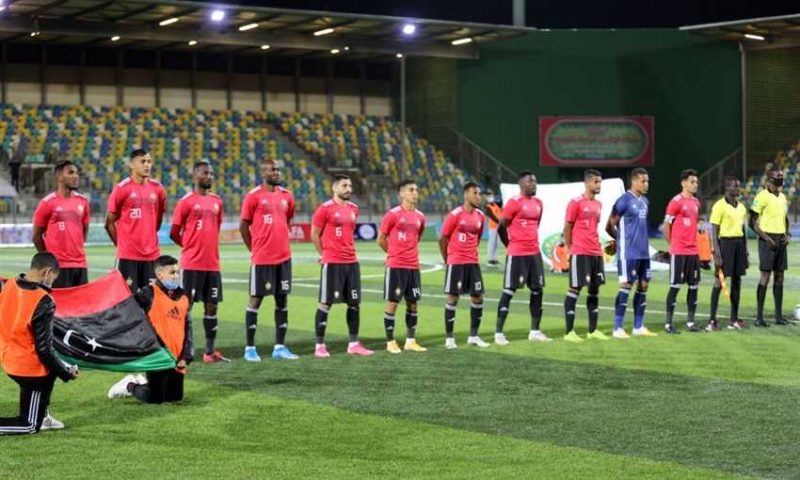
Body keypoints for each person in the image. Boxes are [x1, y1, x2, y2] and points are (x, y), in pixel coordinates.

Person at [0, 252, 79, 435]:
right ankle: (38, 419)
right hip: (28, 369)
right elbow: (44, 350)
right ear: (47, 272)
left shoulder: (10, 284)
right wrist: (66, 372)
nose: (53, 282)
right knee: (28, 425)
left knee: (52, 369)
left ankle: (42, 415)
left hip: (9, 357)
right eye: (53, 277)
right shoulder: (43, 299)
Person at [106, 255, 193, 404]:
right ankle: (129, 385)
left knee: (175, 397)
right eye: (172, 272)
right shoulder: (149, 293)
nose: (176, 276)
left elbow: (188, 328)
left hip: (176, 357)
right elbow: (128, 305)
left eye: (177, 272)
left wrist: (186, 355)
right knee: (155, 398)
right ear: (159, 275)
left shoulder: (184, 297)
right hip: (157, 354)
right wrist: (119, 287)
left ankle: (141, 381)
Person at [240, 158, 299, 361]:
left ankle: (279, 347)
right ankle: (249, 349)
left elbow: (287, 219)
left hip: (284, 258)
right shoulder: (253, 196)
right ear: (263, 173)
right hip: (262, 258)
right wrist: (254, 250)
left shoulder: (288, 196)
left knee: (282, 299)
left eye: (277, 169)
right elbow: (243, 226)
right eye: (272, 170)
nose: (276, 172)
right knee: (256, 299)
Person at [170, 161, 228, 363]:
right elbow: (174, 232)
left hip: (212, 264)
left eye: (211, 173)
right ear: (195, 176)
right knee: (186, 307)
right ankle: (182, 350)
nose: (209, 177)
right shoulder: (186, 202)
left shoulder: (217, 202)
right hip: (192, 265)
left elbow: (216, 227)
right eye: (205, 173)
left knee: (212, 306)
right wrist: (189, 247)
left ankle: (209, 352)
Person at [311, 174, 373, 357]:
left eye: (350, 186)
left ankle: (353, 344)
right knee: (325, 303)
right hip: (333, 262)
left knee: (354, 304)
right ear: (335, 188)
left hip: (352, 262)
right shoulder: (325, 209)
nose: (349, 189)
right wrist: (324, 255)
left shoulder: (354, 208)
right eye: (345, 186)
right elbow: (314, 235)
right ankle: (319, 346)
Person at [494, 171, 550, 345]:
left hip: (534, 253)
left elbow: (536, 225)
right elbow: (501, 226)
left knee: (537, 291)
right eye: (530, 182)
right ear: (521, 184)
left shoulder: (539, 203)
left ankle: (535, 331)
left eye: (535, 181)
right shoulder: (514, 203)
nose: (534, 184)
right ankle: (498, 333)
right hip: (517, 254)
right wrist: (509, 245)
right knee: (509, 291)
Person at [605, 167, 658, 338]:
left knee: (643, 286)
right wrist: (620, 241)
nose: (646, 184)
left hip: (643, 253)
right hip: (629, 253)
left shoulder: (645, 201)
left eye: (647, 181)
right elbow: (609, 224)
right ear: (634, 181)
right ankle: (617, 328)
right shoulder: (624, 200)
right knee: (626, 286)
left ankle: (638, 326)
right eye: (643, 181)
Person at [377, 180, 427, 353]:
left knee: (413, 303)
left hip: (413, 266)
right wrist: (392, 255)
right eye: (411, 190)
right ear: (402, 194)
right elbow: (381, 239)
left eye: (416, 190)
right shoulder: (393, 214)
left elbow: (417, 238)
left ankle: (410, 341)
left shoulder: (420, 216)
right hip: (396, 265)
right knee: (392, 303)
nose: (415, 193)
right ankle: (390, 341)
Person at [105, 149, 167, 291]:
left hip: (152, 256)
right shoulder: (122, 189)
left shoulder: (158, 189)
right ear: (132, 165)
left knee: (151, 300)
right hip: (128, 257)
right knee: (127, 300)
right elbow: (109, 223)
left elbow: (157, 222)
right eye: (143, 161)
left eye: (149, 161)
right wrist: (121, 246)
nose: (147, 165)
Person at [439, 181, 488, 349]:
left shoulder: (480, 216)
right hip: (456, 262)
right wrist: (448, 258)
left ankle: (473, 336)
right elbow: (443, 238)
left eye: (479, 194)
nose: (478, 197)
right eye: (475, 193)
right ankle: (450, 338)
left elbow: (478, 237)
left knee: (477, 297)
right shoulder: (455, 214)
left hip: (473, 262)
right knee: (453, 297)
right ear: (466, 194)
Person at [562, 170, 608, 342]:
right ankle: (569, 332)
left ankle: (592, 330)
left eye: (600, 182)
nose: (599, 185)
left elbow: (593, 228)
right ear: (587, 183)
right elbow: (567, 227)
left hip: (595, 252)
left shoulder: (599, 205)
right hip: (580, 252)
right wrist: (570, 248)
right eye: (596, 182)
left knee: (594, 289)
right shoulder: (575, 203)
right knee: (575, 288)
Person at [31, 161, 91, 288]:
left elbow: (84, 231)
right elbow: (36, 237)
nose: (76, 176)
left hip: (80, 265)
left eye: (76, 173)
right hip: (58, 267)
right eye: (70, 172)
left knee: (81, 306)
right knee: (59, 306)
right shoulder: (47, 203)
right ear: (59, 177)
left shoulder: (83, 202)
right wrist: (50, 259)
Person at [750, 165, 791, 327]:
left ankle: (778, 316)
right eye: (778, 178)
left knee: (780, 277)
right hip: (767, 240)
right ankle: (759, 317)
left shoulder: (782, 197)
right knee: (765, 277)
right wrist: (766, 238)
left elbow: (785, 218)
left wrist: (787, 234)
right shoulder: (761, 196)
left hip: (781, 239)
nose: (780, 181)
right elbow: (752, 222)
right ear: (770, 180)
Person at [663, 169, 703, 334]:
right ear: (684, 183)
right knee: (675, 286)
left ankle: (690, 322)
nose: (695, 185)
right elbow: (666, 225)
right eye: (692, 182)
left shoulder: (696, 203)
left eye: (696, 182)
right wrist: (672, 244)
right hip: (679, 252)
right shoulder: (675, 202)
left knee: (693, 287)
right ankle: (668, 324)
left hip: (693, 252)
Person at [708, 176, 748, 331]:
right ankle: (712, 321)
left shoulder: (742, 207)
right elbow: (714, 230)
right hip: (725, 244)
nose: (739, 188)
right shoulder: (719, 206)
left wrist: (745, 251)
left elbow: (742, 230)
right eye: (736, 186)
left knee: (737, 282)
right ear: (728, 188)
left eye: (739, 186)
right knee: (719, 281)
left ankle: (734, 320)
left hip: (739, 245)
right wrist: (716, 254)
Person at [484, 190, 503, 266]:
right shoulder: (488, 206)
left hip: (498, 227)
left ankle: (494, 258)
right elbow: (489, 216)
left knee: (497, 243)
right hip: (492, 227)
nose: (491, 197)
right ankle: (490, 259)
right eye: (489, 196)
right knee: (491, 243)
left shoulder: (496, 205)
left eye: (491, 195)